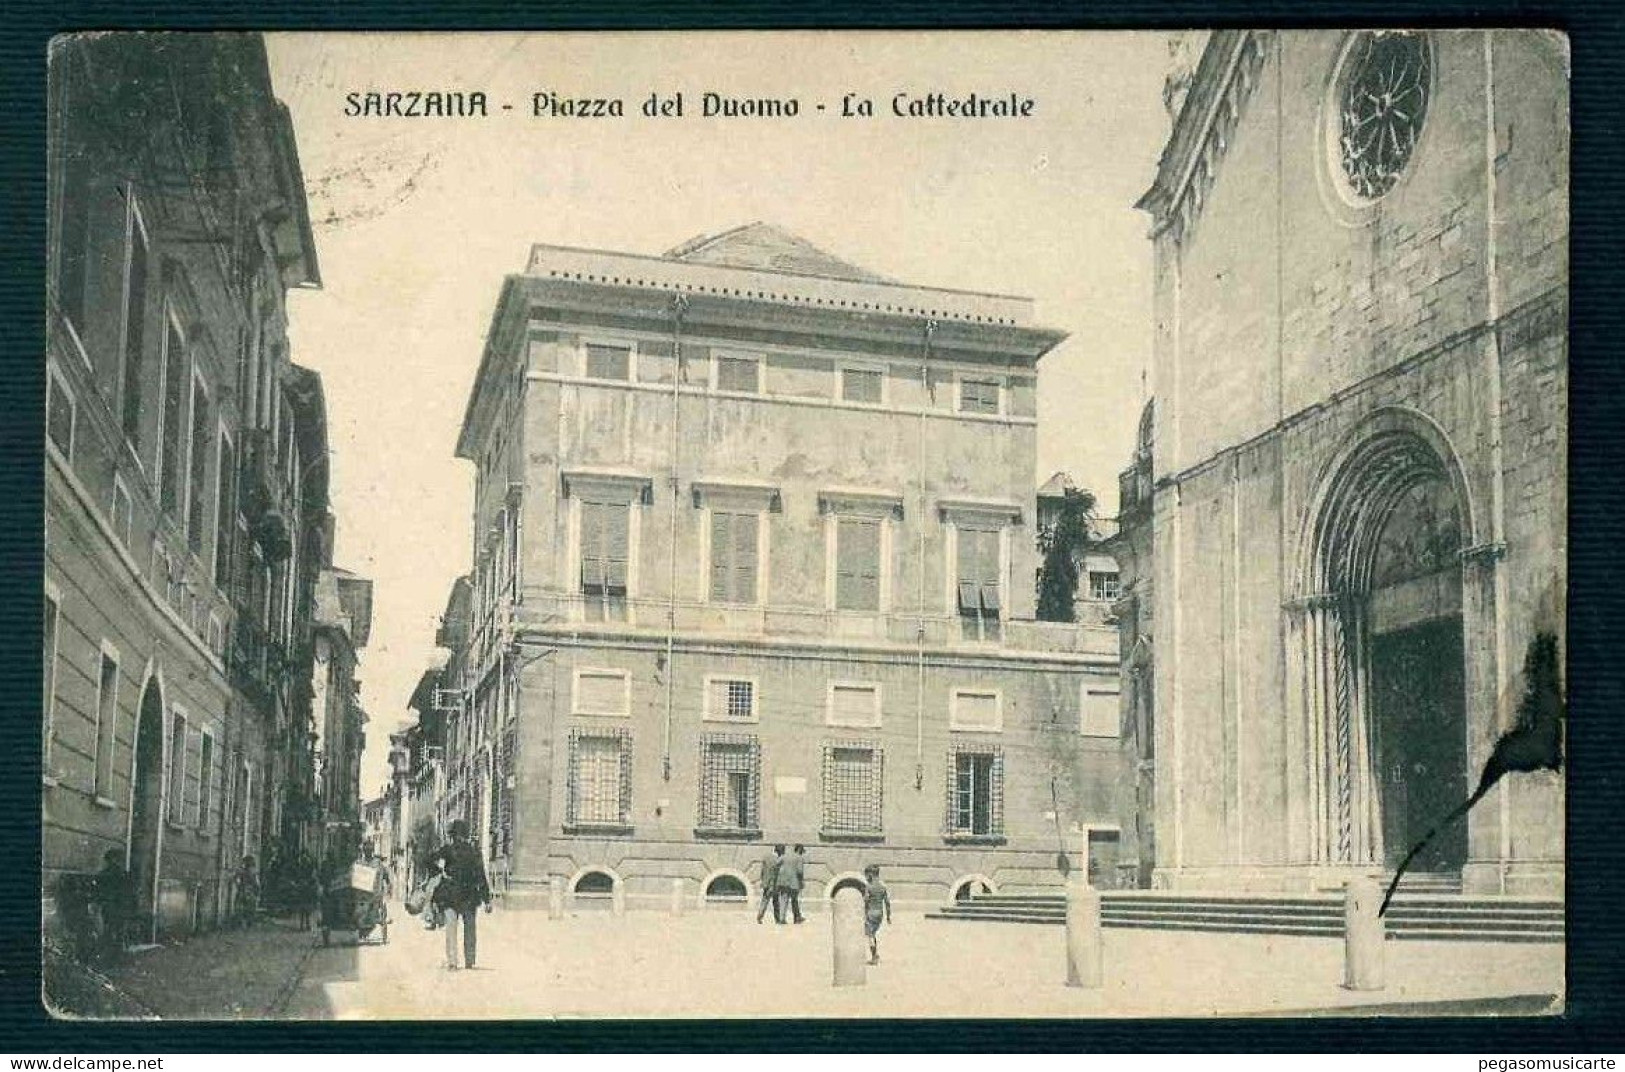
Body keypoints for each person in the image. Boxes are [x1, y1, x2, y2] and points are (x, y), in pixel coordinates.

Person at [430, 819, 492, 970]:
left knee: (451, 927)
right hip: (469, 895)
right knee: (470, 928)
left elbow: (429, 860)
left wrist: (440, 872)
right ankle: (470, 960)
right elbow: (480, 876)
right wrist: (487, 899)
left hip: (450, 895)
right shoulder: (474, 852)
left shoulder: (447, 850)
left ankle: (452, 961)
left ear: (452, 835)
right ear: (466, 834)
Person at [93, 850, 134, 960]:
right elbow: (129, 892)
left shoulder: (102, 875)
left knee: (109, 930)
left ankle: (109, 955)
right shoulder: (124, 874)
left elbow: (98, 892)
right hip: (120, 907)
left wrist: (99, 903)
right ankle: (118, 954)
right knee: (119, 930)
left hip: (108, 906)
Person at [862, 864, 892, 965]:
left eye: (866, 875)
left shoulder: (869, 887)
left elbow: (866, 901)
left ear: (870, 875)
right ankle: (876, 954)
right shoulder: (883, 886)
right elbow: (887, 902)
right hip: (880, 914)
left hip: (871, 913)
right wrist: (888, 916)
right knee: (873, 934)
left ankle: (874, 957)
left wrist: (864, 914)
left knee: (870, 936)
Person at [778, 844, 807, 924]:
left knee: (784, 899)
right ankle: (797, 918)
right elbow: (800, 871)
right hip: (794, 882)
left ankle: (781, 918)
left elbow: (777, 864)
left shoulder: (785, 856)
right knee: (794, 900)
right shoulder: (799, 858)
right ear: (800, 850)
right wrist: (801, 882)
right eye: (802, 851)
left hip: (783, 882)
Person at [756, 844, 784, 924]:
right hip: (774, 884)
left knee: (764, 900)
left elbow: (762, 871)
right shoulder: (777, 860)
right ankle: (777, 919)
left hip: (766, 882)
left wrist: (763, 881)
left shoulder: (766, 857)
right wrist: (773, 885)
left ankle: (759, 916)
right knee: (776, 902)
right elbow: (774, 874)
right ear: (780, 851)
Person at [233, 855, 260, 929]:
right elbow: (257, 884)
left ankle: (243, 924)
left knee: (242, 908)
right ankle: (246, 924)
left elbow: (235, 878)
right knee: (248, 909)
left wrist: (238, 885)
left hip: (244, 890)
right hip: (248, 891)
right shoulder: (253, 871)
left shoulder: (243, 871)